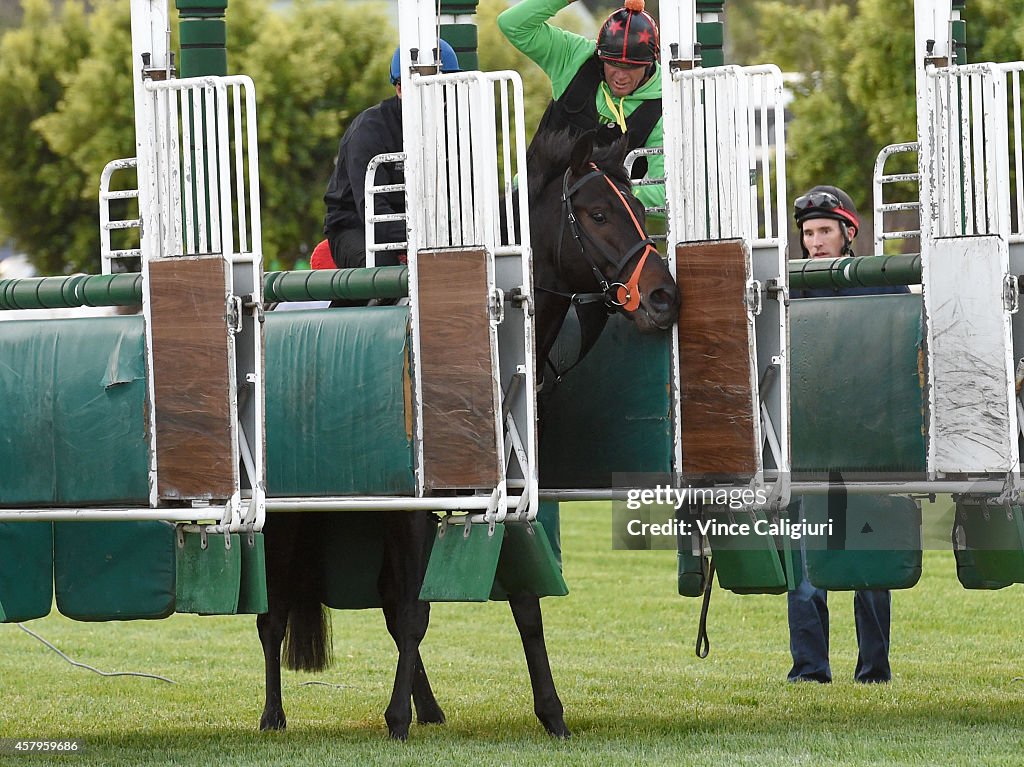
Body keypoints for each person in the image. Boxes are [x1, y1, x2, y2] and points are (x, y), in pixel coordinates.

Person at [787, 184, 907, 683]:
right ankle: (810, 671)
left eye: (824, 232)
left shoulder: (886, 286)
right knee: (806, 571)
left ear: (848, 233)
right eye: (808, 233)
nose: (814, 242)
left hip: (867, 447)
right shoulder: (788, 288)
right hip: (808, 448)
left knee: (868, 568)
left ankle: (874, 671)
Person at [498, 0, 665, 211]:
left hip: (598, 223)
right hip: (533, 202)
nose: (620, 76)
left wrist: (598, 191)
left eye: (632, 68)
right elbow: (512, 24)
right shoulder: (574, 56)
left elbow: (664, 194)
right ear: (600, 55)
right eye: (612, 63)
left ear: (650, 64)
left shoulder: (664, 104)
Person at [321, 39, 461, 270]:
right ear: (399, 89)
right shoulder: (368, 130)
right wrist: (430, 232)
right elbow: (375, 217)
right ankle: (346, 306)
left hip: (421, 227)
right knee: (383, 266)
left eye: (443, 86)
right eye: (428, 87)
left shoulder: (453, 128)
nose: (439, 96)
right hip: (355, 226)